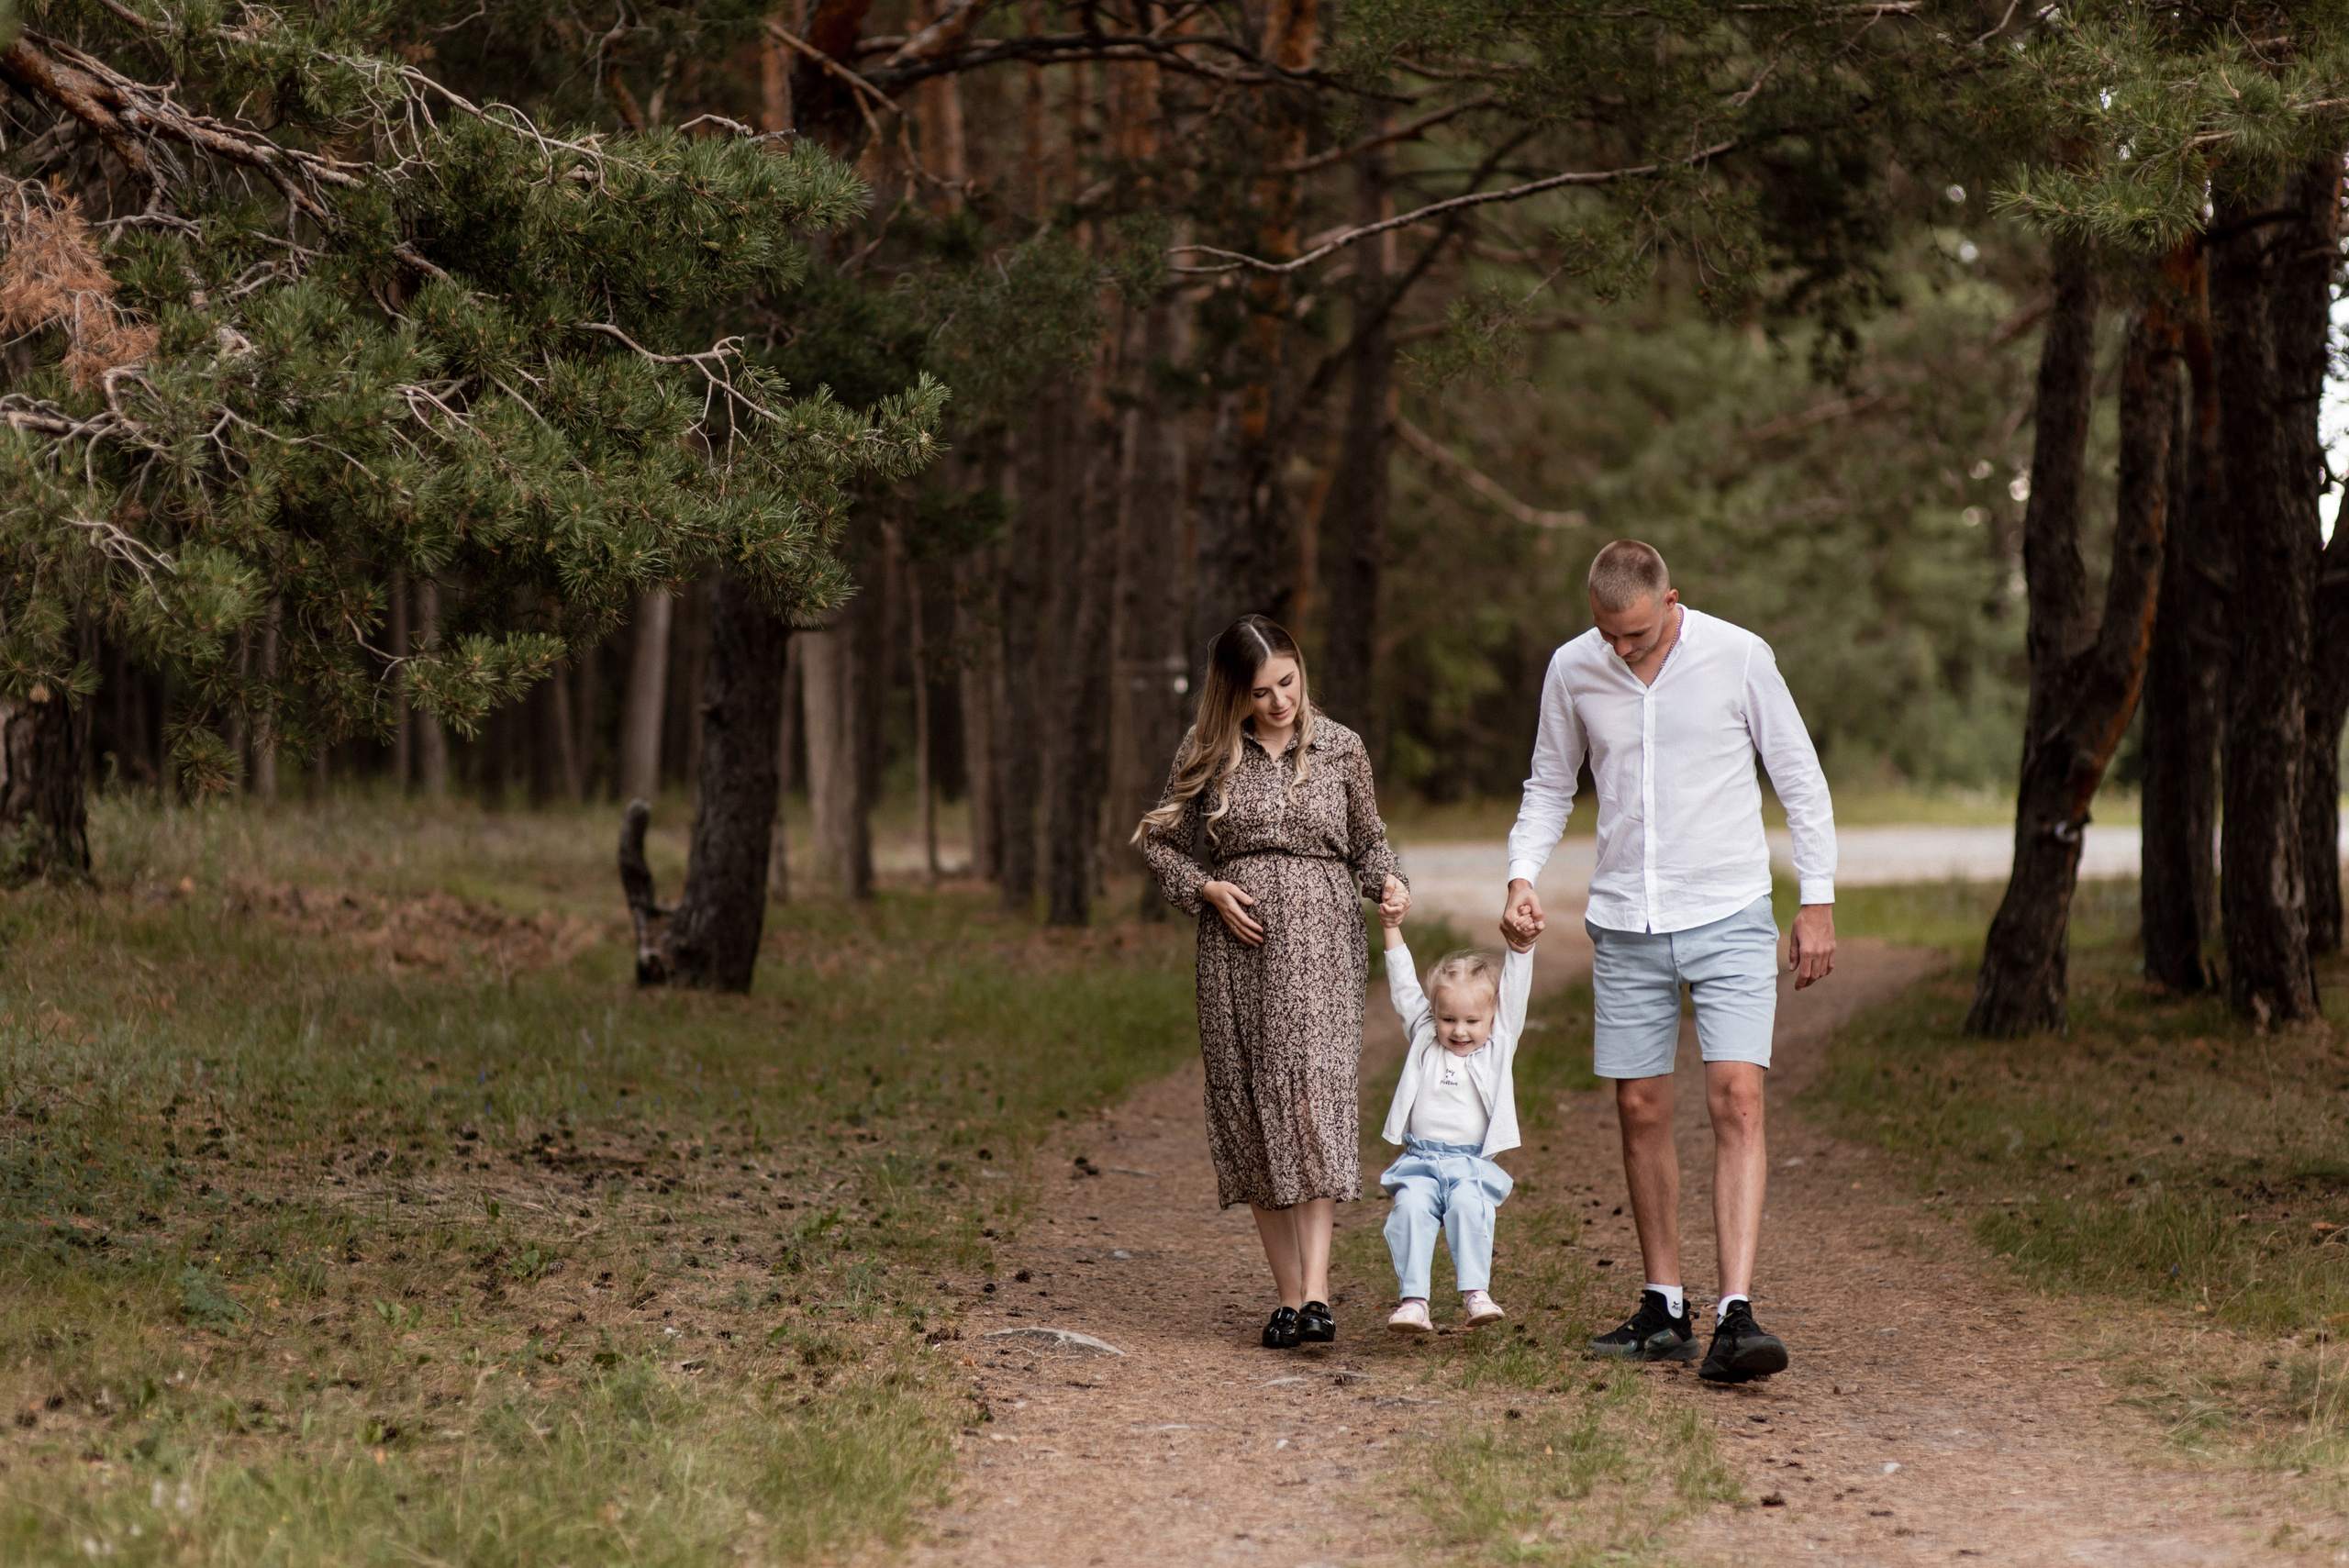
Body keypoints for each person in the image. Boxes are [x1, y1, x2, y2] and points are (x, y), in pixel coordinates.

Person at [1499, 540, 1836, 1385]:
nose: (1622, 650)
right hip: (1626, 919)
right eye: (1608, 635)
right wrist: (1521, 875)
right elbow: (1549, 784)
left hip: (1728, 909)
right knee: (1641, 1105)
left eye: (1638, 636)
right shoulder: (1573, 668)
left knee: (1737, 1097)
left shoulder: (1739, 656)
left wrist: (1819, 898)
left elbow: (1799, 777)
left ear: (1671, 601)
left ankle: (1736, 1313)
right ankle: (1664, 1307)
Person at [1138, 615, 1410, 1350]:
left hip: (1322, 945)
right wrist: (1208, 890)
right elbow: (1160, 843)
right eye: (1261, 691)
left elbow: (1369, 842)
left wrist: (1388, 881)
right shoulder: (1208, 752)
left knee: (1311, 1096)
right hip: (1236, 953)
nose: (1280, 700)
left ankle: (1319, 1293)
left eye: (1288, 681)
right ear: (1235, 693)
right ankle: (1287, 1299)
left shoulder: (1343, 747)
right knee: (1255, 1105)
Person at [1375, 905, 1536, 1337]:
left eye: (1471, 1021)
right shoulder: (1425, 1038)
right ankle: (1413, 1302)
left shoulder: (1499, 1044)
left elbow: (1515, 994)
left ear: (1491, 1019)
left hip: (1470, 1165)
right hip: (1421, 1162)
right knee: (1409, 1210)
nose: (1459, 1031)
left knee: (1470, 1209)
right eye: (1448, 1019)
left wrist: (1521, 949)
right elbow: (1404, 986)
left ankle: (1475, 1295)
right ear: (1434, 1015)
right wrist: (1391, 928)